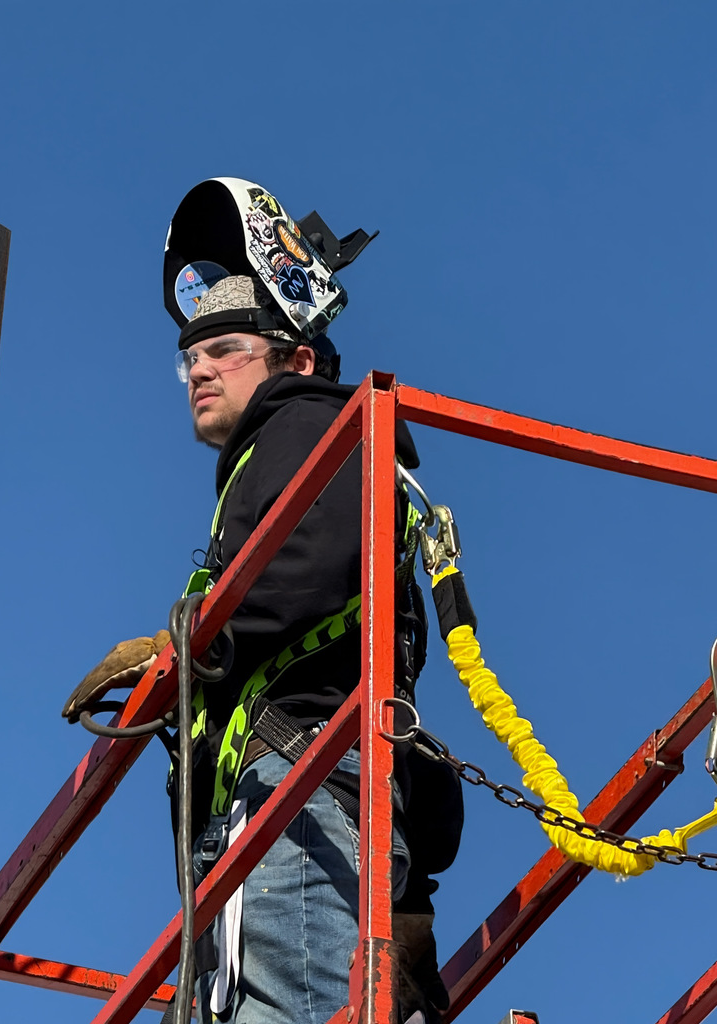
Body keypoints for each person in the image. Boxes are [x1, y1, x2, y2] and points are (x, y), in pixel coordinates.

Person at [64, 179, 462, 1024]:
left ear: (298, 359)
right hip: (270, 808)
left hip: (302, 794)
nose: (198, 368)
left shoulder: (311, 428)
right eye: (189, 356)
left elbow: (309, 564)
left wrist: (192, 647)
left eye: (226, 348)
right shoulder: (269, 455)